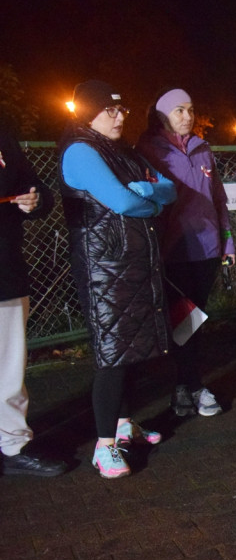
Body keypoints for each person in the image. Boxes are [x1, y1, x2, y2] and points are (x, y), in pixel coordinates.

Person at [60, 80, 177, 478]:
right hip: (104, 268)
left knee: (130, 349)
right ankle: (104, 446)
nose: (119, 115)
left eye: (122, 109)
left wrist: (147, 190)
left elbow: (169, 189)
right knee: (112, 354)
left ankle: (124, 427)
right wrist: (150, 204)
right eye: (110, 110)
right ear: (87, 113)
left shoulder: (121, 150)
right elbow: (123, 202)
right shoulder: (81, 150)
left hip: (130, 264)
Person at [136, 88, 234, 417]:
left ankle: (186, 386)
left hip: (206, 248)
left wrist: (228, 242)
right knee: (182, 321)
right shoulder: (148, 150)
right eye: (179, 110)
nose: (188, 117)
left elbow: (219, 198)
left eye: (191, 110)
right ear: (163, 115)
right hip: (173, 249)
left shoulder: (202, 148)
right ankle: (190, 386)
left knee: (194, 320)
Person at [0, 129, 66, 477]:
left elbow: (39, 191)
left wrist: (34, 200)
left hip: (5, 269)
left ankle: (14, 445)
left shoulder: (4, 134)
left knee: (8, 368)